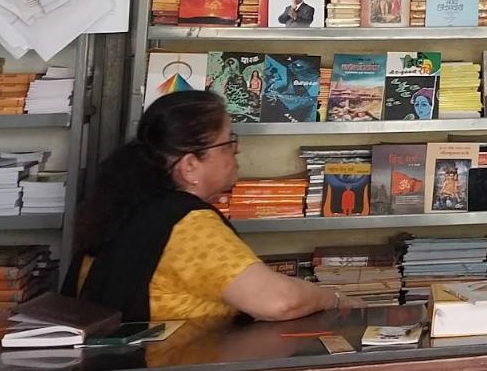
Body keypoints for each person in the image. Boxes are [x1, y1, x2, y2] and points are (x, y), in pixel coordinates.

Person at [73, 92, 349, 324]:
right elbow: (280, 301)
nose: (237, 151)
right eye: (229, 142)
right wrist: (334, 298)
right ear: (190, 166)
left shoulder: (131, 204)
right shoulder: (187, 224)